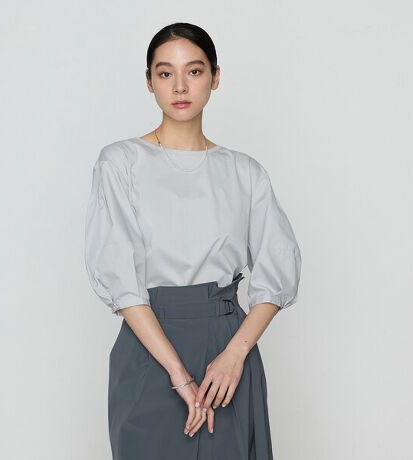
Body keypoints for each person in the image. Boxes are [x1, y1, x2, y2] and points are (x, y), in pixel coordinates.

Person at [84, 22, 302, 460]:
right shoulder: (120, 163)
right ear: (149, 82)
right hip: (149, 346)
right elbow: (122, 281)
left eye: (195, 71)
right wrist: (177, 373)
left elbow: (277, 273)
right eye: (165, 73)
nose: (180, 86)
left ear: (215, 77)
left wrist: (235, 354)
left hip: (227, 349)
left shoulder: (244, 172)